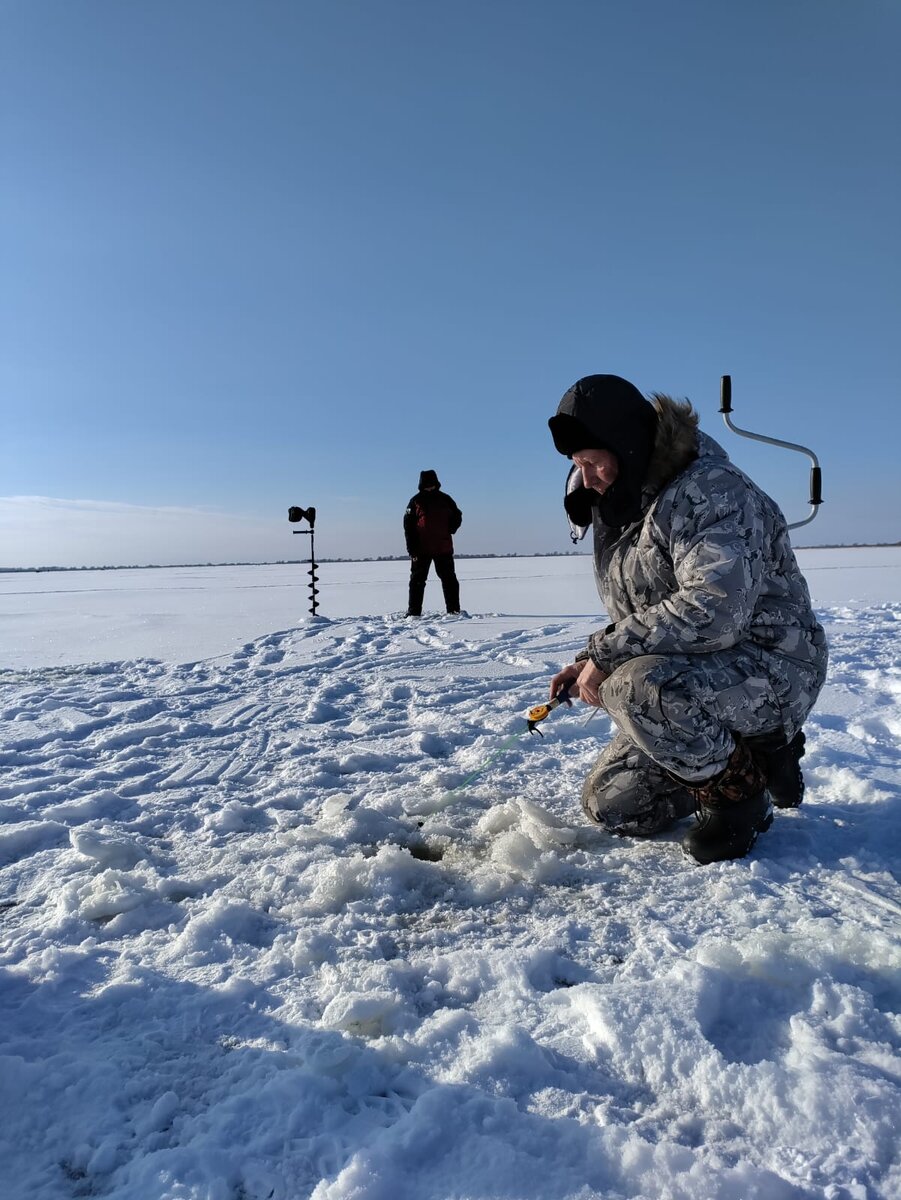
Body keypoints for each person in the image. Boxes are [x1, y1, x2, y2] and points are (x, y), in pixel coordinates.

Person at [547, 374, 828, 864]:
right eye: (577, 465)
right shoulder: (633, 500)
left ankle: (740, 798)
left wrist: (607, 653)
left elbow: (713, 611)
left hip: (774, 666)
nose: (586, 478)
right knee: (616, 803)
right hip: (706, 670)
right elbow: (645, 609)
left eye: (592, 461)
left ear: (626, 444)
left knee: (635, 688)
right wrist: (588, 662)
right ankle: (761, 760)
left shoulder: (711, 491)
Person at [404, 469, 463, 617]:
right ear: (421, 485)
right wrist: (412, 549)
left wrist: (451, 528)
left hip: (443, 548)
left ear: (437, 483)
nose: (430, 488)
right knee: (417, 581)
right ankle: (413, 613)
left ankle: (454, 611)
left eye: (432, 485)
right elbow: (408, 526)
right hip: (421, 549)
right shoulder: (415, 501)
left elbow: (458, 515)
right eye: (427, 485)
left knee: (449, 580)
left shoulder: (446, 499)